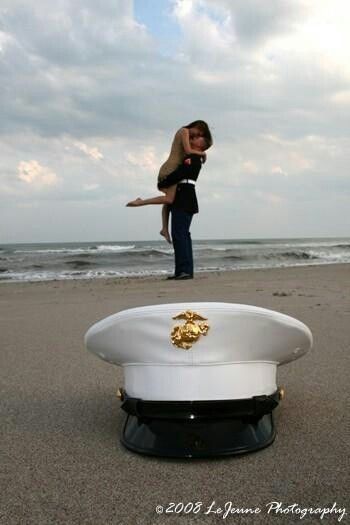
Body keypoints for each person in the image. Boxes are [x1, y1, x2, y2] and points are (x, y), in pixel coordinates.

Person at [126, 121, 213, 243]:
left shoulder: (188, 137)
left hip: (172, 169)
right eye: (198, 133)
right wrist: (202, 153)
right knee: (169, 199)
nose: (197, 136)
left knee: (170, 200)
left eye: (199, 135)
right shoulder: (184, 131)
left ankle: (164, 229)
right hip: (169, 170)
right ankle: (141, 202)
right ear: (196, 126)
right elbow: (188, 151)